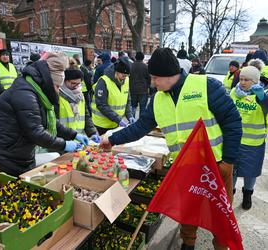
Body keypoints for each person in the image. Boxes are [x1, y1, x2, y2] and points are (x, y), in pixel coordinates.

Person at [99, 48, 242, 250]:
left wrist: (228, 161)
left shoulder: (206, 86)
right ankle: (188, 243)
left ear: (169, 75)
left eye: (156, 78)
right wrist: (112, 140)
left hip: (216, 167)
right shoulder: (158, 98)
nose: (153, 82)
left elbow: (233, 122)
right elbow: (141, 126)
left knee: (220, 213)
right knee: (188, 210)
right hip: (186, 167)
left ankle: (221, 246)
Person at [0, 53, 89, 177]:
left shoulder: (36, 90)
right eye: (56, 86)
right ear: (48, 81)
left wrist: (74, 134)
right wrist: (65, 144)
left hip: (16, 155)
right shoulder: (25, 93)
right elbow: (36, 133)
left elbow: (49, 122)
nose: (57, 91)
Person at [230, 65, 268, 210]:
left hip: (253, 143)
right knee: (231, 170)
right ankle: (229, 195)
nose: (243, 82)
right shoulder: (235, 92)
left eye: (247, 80)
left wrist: (263, 98)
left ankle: (247, 195)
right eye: (241, 79)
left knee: (250, 172)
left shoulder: (263, 95)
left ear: (255, 81)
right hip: (234, 140)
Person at [91, 57, 135, 135]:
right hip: (103, 123)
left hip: (116, 122)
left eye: (127, 75)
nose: (124, 77)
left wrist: (130, 115)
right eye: (123, 74)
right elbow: (101, 105)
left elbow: (127, 101)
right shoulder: (104, 81)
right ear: (116, 71)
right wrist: (118, 119)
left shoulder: (126, 80)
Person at [59, 68, 100, 142]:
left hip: (78, 139)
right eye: (73, 83)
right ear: (64, 81)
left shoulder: (80, 95)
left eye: (78, 83)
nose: (76, 86)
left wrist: (92, 133)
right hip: (62, 141)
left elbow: (86, 115)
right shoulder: (57, 96)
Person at [129, 51, 151, 118]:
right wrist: (148, 86)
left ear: (135, 57)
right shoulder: (146, 67)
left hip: (133, 89)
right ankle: (141, 123)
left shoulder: (131, 66)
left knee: (133, 107)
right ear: (143, 58)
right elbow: (149, 78)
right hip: (143, 90)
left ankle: (131, 121)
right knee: (143, 108)